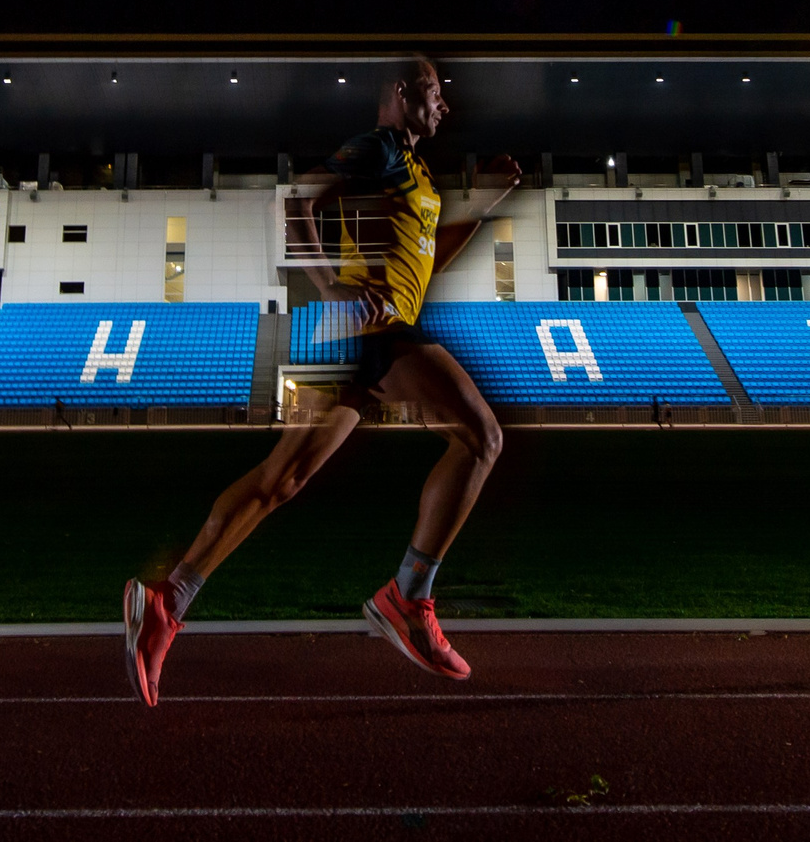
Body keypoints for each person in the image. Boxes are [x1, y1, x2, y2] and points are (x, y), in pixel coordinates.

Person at [123, 55, 520, 707]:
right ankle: (407, 595)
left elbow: (426, 264)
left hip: (374, 334)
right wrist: (330, 283)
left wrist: (481, 205)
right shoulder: (381, 147)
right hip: (379, 329)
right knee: (482, 436)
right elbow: (297, 203)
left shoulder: (416, 174)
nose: (443, 103)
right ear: (399, 92)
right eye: (432, 90)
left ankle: (168, 601)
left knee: (282, 480)